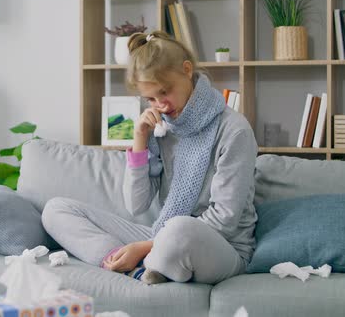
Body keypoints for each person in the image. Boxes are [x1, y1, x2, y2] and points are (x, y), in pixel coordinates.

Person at [42, 31, 258, 285]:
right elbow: (136, 204)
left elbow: (224, 219)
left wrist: (144, 247)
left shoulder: (234, 130)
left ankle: (151, 258)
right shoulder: (161, 129)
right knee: (56, 210)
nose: (161, 105)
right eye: (150, 98)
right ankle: (129, 266)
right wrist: (140, 139)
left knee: (179, 229)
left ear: (187, 70)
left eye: (164, 92)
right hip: (161, 237)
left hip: (223, 247)